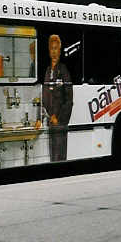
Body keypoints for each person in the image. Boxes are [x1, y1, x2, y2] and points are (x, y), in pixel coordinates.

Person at [42, 34, 73, 162]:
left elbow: (69, 99)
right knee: (53, 157)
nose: (54, 52)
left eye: (56, 49)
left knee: (59, 157)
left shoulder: (63, 70)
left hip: (60, 122)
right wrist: (44, 116)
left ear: (60, 51)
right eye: (51, 48)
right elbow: (44, 95)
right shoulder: (48, 70)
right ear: (49, 51)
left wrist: (58, 118)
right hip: (51, 122)